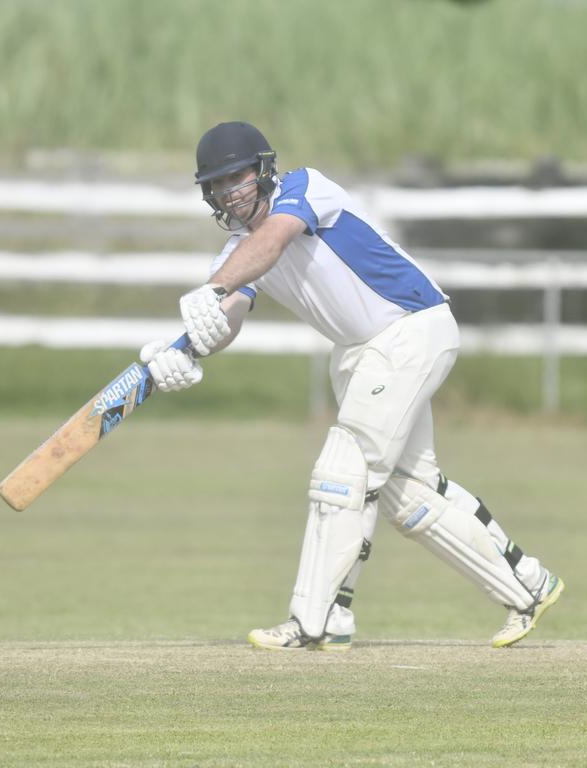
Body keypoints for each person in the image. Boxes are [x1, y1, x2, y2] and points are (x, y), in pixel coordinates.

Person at [139, 121, 564, 650]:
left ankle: (311, 622)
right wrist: (185, 351)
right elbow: (230, 313)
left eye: (239, 177)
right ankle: (528, 586)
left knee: (342, 470)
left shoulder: (307, 189)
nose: (231, 192)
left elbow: (271, 242)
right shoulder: (233, 255)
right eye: (218, 185)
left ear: (264, 171)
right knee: (409, 498)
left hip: (410, 328)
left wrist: (211, 290)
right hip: (365, 355)